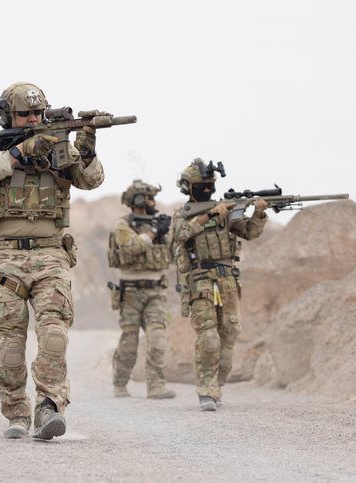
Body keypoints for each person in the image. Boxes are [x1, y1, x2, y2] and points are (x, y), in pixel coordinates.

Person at [0, 82, 105, 439]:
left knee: (54, 335)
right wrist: (21, 151)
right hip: (8, 258)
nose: (33, 119)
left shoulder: (59, 145)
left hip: (51, 254)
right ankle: (17, 412)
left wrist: (86, 148)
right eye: (25, 114)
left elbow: (90, 181)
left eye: (38, 113)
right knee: (11, 345)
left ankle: (49, 407)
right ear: (8, 116)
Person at [170, 158, 269, 411]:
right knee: (209, 336)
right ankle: (206, 391)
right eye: (201, 186)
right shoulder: (182, 214)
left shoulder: (227, 212)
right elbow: (180, 234)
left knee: (229, 334)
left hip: (227, 278)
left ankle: (217, 387)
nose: (206, 189)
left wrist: (258, 214)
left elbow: (249, 232)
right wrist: (208, 216)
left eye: (209, 185)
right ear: (189, 188)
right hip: (200, 278)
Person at [108, 180, 175, 400]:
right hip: (130, 292)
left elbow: (173, 254)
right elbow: (133, 246)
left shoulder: (158, 225)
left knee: (158, 338)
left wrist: (166, 232)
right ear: (138, 200)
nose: (154, 202)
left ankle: (156, 386)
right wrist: (154, 231)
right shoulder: (123, 224)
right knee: (129, 342)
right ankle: (120, 383)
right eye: (150, 198)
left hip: (156, 291)